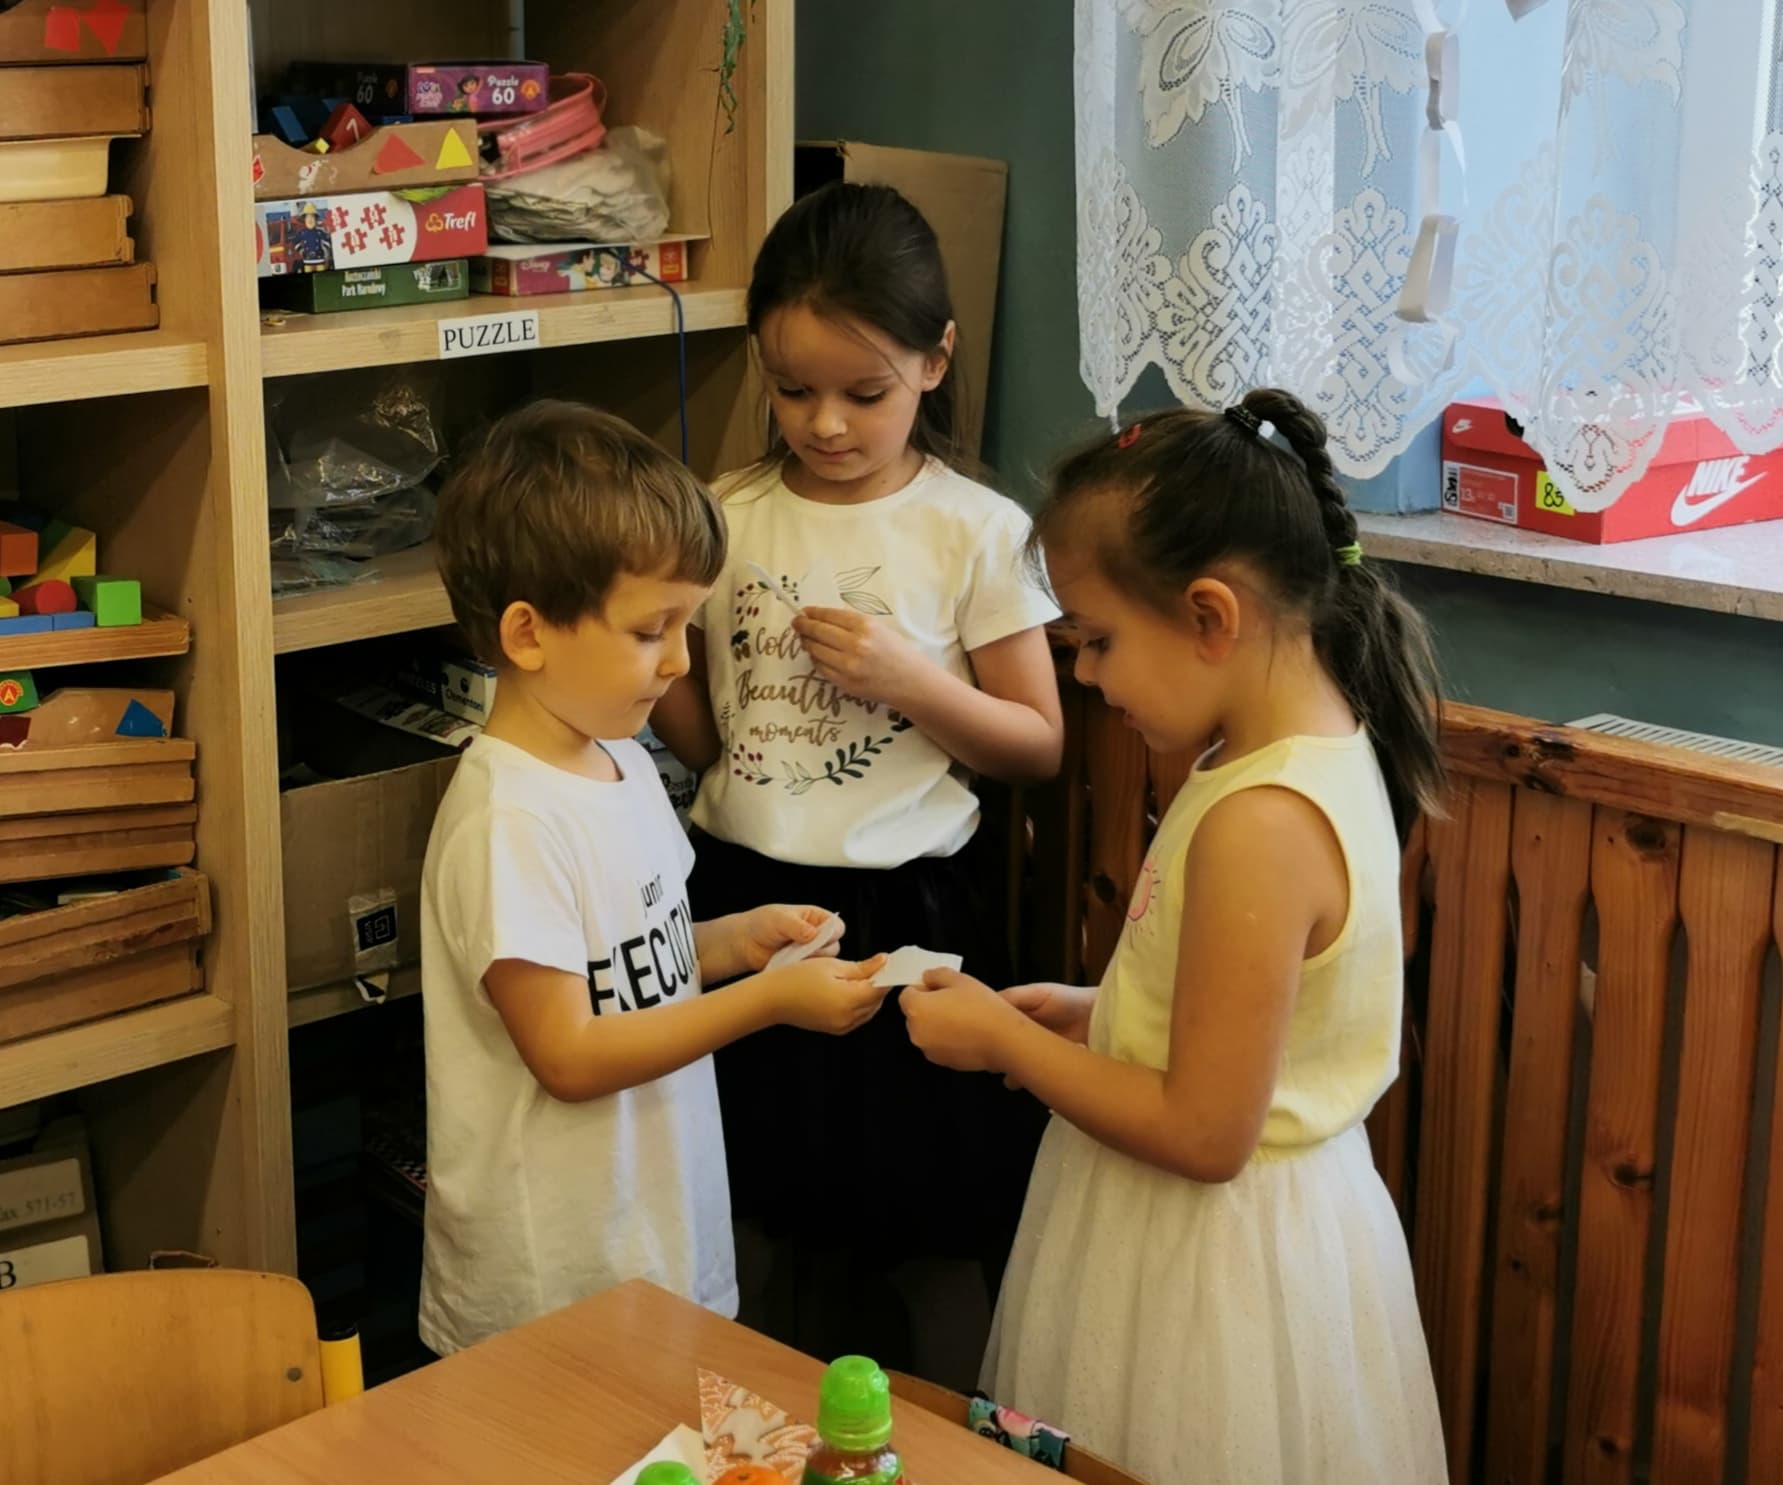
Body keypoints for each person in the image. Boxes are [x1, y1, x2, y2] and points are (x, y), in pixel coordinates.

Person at [901, 390, 1449, 1481]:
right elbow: (1257, 1025)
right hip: (1205, 1229)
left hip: (1214, 1264)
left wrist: (1010, 1047)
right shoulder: (1282, 748)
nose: (1085, 675)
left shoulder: (1263, 819)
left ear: (1210, 616)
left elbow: (1206, 1132)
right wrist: (1098, 1013)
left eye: (1097, 641)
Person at [650, 183, 1064, 1367]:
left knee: (923, 1224)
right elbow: (707, 742)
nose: (825, 424)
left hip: (906, 913)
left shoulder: (974, 529)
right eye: (792, 391)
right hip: (739, 898)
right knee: (749, 1208)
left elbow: (1036, 744)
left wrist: (912, 682)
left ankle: (949, 1433)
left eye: (863, 394)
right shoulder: (725, 514)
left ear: (935, 362)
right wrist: (650, 646)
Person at [419, 400, 890, 1358]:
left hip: (654, 1234)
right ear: (528, 633)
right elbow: (569, 1054)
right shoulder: (509, 821)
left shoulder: (623, 760)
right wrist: (767, 1002)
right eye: (651, 630)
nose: (679, 661)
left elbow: (635, 959)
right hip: (553, 1280)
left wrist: (737, 940)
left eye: (687, 623)